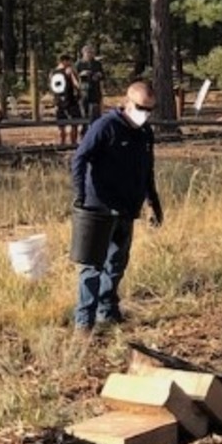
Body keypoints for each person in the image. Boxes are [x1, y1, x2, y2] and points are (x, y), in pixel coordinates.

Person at [71, 81, 164, 332]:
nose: (145, 113)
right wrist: (80, 196)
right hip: (97, 210)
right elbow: (80, 158)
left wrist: (152, 203)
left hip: (127, 209)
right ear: (127, 102)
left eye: (150, 109)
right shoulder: (105, 127)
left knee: (116, 264)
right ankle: (84, 322)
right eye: (141, 107)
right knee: (92, 266)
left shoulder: (145, 133)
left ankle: (107, 312)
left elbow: (147, 170)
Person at [50, 53, 83, 145]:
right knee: (75, 122)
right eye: (69, 61)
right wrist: (74, 74)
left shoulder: (53, 72)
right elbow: (77, 84)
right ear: (65, 61)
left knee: (61, 124)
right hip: (70, 99)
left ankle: (62, 143)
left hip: (58, 100)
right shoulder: (68, 71)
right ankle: (73, 143)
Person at [75, 45, 105, 123]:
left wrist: (98, 75)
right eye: (88, 52)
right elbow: (74, 77)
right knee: (84, 112)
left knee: (95, 112)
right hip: (83, 90)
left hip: (95, 90)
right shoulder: (79, 64)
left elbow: (103, 76)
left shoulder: (97, 63)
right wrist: (81, 74)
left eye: (91, 52)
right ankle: (84, 130)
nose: (90, 54)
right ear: (83, 53)